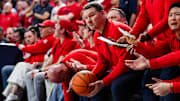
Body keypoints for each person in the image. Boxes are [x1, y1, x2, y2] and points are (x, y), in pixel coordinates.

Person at [77, 2, 143, 101]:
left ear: (103, 13)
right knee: (87, 86)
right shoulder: (97, 35)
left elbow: (124, 63)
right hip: (119, 69)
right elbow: (102, 62)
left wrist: (104, 82)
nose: (89, 21)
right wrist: (90, 77)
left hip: (135, 68)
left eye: (92, 15)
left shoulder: (117, 29)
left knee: (116, 86)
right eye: (86, 18)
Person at [125, 2, 180, 101]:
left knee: (168, 95)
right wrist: (133, 41)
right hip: (164, 52)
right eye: (170, 15)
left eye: (177, 15)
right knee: (150, 86)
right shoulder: (172, 40)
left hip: (167, 60)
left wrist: (171, 86)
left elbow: (176, 56)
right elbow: (153, 52)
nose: (172, 18)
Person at [3, 20, 56, 101]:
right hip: (31, 65)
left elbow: (37, 50)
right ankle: (12, 95)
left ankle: (12, 95)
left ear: (49, 29)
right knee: (10, 69)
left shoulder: (49, 39)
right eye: (25, 37)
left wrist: (20, 46)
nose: (41, 29)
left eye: (43, 27)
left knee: (21, 67)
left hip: (40, 67)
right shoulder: (40, 41)